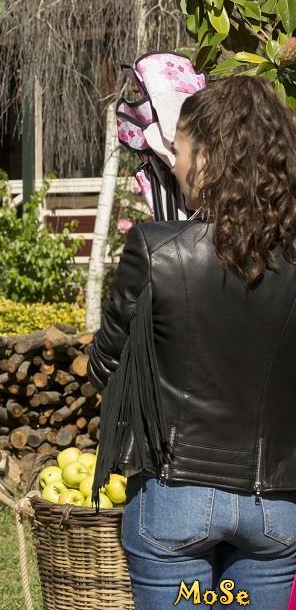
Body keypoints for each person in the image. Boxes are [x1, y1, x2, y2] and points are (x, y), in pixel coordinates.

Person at [89, 76, 296, 609]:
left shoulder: (156, 249)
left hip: (174, 497)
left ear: (208, 158)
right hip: (276, 508)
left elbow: (106, 367)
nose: (176, 165)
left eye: (179, 151)